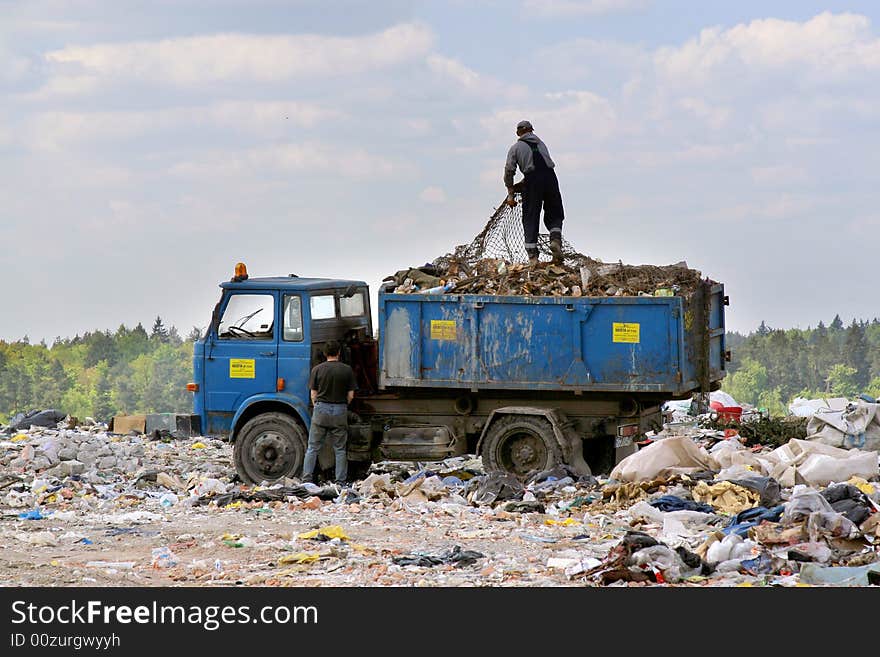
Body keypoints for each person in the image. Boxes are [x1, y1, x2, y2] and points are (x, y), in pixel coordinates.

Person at [503, 120, 565, 265]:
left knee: (530, 215)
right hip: (551, 178)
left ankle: (533, 257)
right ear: (532, 130)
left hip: (532, 182)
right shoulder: (541, 144)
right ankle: (555, 239)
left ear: (518, 133)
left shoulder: (516, 148)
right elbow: (540, 165)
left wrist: (510, 191)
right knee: (555, 211)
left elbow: (509, 171)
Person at [301, 340, 357, 486]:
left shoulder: (317, 370)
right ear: (339, 352)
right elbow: (351, 395)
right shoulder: (347, 370)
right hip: (339, 411)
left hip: (321, 411)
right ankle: (340, 482)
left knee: (313, 447)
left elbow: (313, 394)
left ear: (325, 353)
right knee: (339, 449)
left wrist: (318, 406)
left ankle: (306, 479)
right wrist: (342, 406)